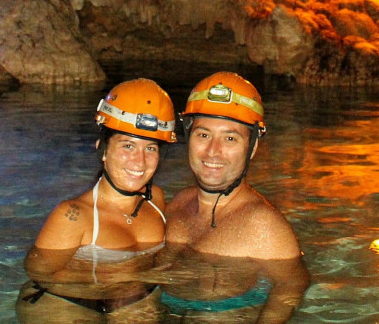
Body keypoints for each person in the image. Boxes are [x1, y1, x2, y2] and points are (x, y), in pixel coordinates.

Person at [17, 78, 176, 322]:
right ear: (102, 149)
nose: (140, 161)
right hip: (63, 301)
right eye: (128, 145)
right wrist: (115, 280)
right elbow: (38, 271)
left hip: (131, 297)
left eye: (151, 148)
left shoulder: (156, 200)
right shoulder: (74, 215)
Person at [162, 71, 309, 323]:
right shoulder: (178, 204)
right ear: (189, 138)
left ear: (252, 147)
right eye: (203, 134)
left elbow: (291, 288)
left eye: (230, 138)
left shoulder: (263, 226)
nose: (212, 151)